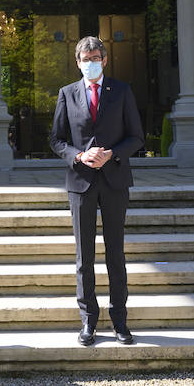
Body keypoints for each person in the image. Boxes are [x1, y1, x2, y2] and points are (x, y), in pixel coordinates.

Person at [50, 35, 145, 346]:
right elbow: (57, 140)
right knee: (84, 256)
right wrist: (78, 156)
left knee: (115, 254)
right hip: (81, 182)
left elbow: (136, 136)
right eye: (85, 59)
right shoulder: (67, 93)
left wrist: (112, 154)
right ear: (77, 62)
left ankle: (120, 321)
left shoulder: (122, 91)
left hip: (115, 180)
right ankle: (88, 321)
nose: (90, 63)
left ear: (104, 60)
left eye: (95, 58)